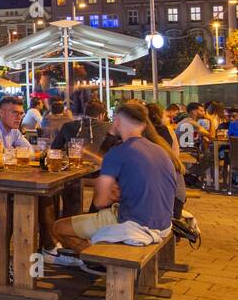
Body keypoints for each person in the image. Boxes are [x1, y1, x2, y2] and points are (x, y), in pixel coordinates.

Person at [51, 100, 182, 274]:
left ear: (118, 122)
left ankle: (101, 263)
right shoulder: (160, 150)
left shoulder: (117, 153)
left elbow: (100, 201)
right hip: (164, 224)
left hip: (135, 225)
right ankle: (101, 256)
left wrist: (102, 184)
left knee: (59, 228)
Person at [51, 86, 115, 159]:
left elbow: (54, 148)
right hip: (101, 167)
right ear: (101, 115)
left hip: (75, 167)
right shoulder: (110, 127)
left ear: (85, 113)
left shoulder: (67, 126)